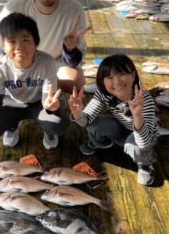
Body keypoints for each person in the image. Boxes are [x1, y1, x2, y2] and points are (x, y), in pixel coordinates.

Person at [0, 13, 69, 149]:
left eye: (25, 40)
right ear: (3, 46)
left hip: (39, 103)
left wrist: (50, 107)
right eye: (12, 41)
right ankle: (11, 126)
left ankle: (48, 131)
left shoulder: (47, 62)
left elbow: (47, 97)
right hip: (12, 103)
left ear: (36, 42)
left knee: (59, 125)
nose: (19, 46)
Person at [68, 54, 159, 186]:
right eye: (110, 77)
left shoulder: (145, 100)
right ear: (102, 80)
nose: (116, 81)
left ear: (133, 74)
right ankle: (102, 143)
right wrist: (77, 114)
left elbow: (144, 143)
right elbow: (85, 122)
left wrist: (137, 116)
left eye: (121, 74)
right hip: (122, 128)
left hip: (144, 137)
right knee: (93, 124)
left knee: (134, 145)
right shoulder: (103, 94)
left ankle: (145, 163)